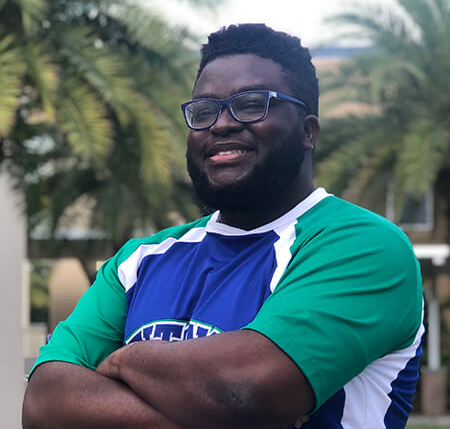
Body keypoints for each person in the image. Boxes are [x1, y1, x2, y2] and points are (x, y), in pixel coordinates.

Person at [22, 23, 423, 429]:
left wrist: (124, 361)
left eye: (251, 104)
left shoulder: (363, 247)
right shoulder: (139, 260)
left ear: (308, 132)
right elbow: (44, 401)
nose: (221, 124)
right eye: (203, 111)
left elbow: (248, 390)